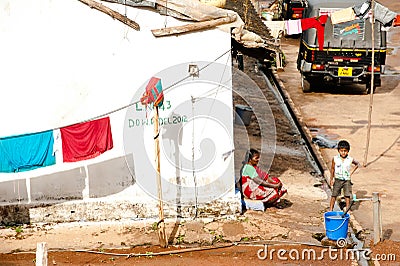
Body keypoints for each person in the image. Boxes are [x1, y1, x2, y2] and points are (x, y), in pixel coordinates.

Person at [329, 140, 360, 212]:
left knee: (347, 195)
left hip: (346, 180)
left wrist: (351, 173)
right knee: (334, 194)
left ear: (348, 151)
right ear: (338, 151)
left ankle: (347, 209)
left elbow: (357, 164)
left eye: (345, 151)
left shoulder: (350, 159)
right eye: (341, 151)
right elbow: (332, 169)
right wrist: (331, 179)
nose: (343, 152)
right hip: (337, 179)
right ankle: (330, 209)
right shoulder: (335, 159)